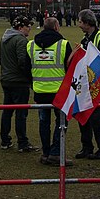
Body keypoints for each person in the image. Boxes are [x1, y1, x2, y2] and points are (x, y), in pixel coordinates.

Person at [27, 17, 72, 166]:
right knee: (62, 122)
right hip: (59, 91)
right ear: (57, 27)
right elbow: (70, 68)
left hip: (40, 90)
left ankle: (46, 152)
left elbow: (26, 66)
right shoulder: (64, 44)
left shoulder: (31, 45)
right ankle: (55, 152)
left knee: (43, 122)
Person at [0, 15, 38, 152]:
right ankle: (22, 142)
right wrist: (30, 78)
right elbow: (23, 62)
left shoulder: (4, 39)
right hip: (19, 82)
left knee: (7, 111)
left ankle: (5, 140)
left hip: (6, 80)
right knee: (21, 113)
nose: (29, 29)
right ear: (20, 27)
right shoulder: (21, 40)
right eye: (27, 26)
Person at [75, 9, 100, 160]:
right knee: (82, 116)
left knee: (97, 119)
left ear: (87, 23)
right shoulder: (85, 39)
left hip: (96, 86)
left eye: (80, 22)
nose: (78, 25)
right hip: (85, 85)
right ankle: (87, 147)